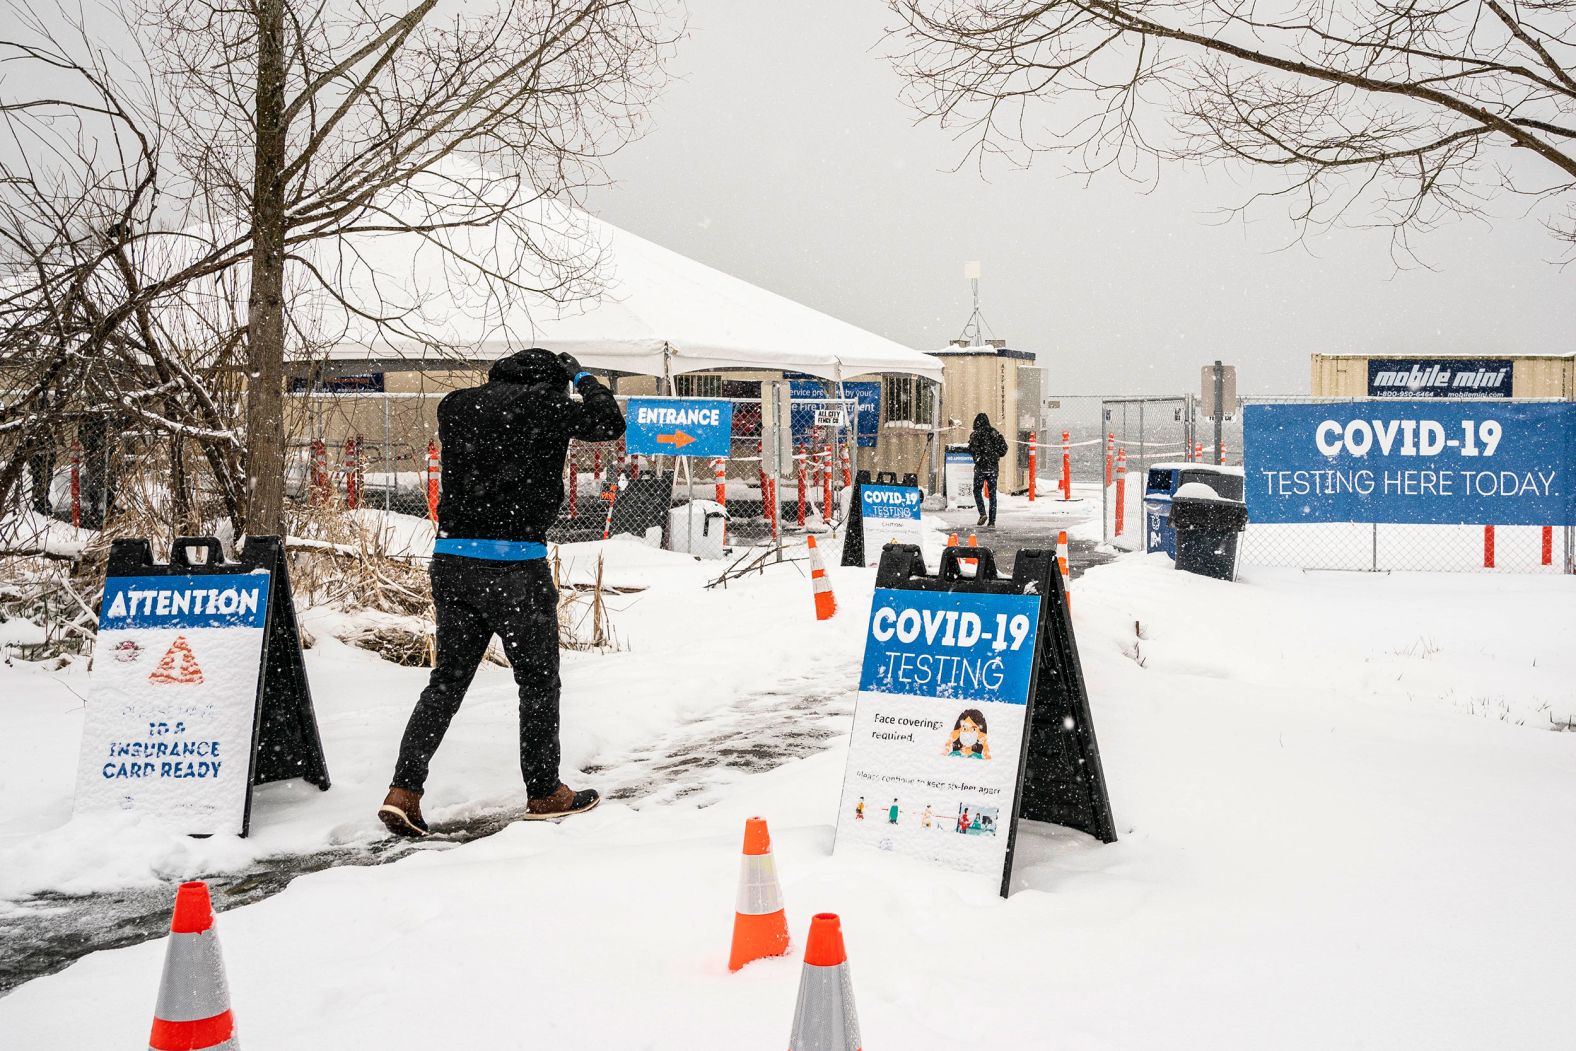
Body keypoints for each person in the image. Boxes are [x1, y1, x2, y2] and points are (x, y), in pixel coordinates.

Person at [377, 348, 626, 838]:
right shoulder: (544, 406)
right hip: (514, 566)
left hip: (453, 561)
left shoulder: (456, 405)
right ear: (550, 383)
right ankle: (544, 791)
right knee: (537, 682)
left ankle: (403, 790)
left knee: (446, 681)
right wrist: (583, 377)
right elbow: (608, 421)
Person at [967, 412, 1008, 527]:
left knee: (977, 491)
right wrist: (995, 455)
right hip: (993, 468)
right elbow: (1004, 449)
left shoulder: (975, 434)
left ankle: (982, 513)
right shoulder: (995, 433)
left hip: (980, 468)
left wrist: (978, 457)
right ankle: (992, 521)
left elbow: (970, 449)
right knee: (992, 494)